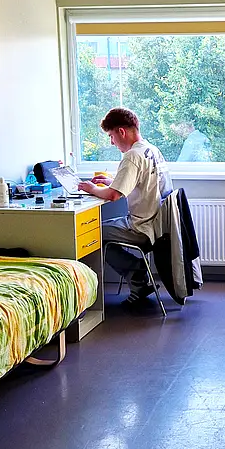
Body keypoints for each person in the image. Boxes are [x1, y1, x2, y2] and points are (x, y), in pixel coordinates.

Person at [76, 107, 172, 307]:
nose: (112, 142)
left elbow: (113, 195)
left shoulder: (132, 156)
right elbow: (141, 180)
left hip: (142, 227)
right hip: (157, 223)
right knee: (97, 230)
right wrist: (112, 179)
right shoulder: (151, 150)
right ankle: (137, 275)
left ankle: (136, 274)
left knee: (92, 235)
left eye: (111, 136)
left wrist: (92, 188)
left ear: (121, 131)